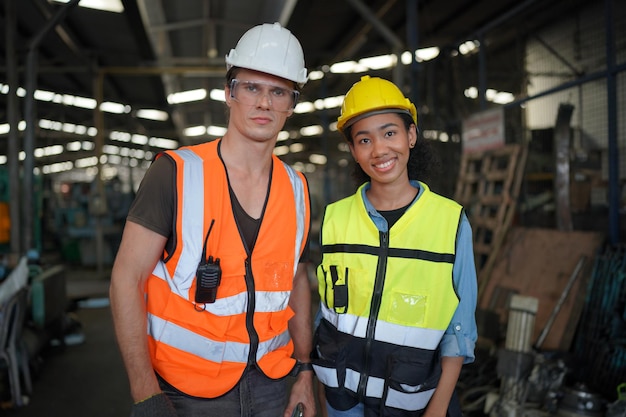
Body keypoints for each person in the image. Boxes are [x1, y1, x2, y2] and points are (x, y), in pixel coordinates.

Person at [109, 22, 316, 417]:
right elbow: (126, 278)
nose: (264, 103)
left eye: (278, 92)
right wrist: (144, 393)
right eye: (251, 87)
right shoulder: (175, 172)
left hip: (272, 384)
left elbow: (298, 279)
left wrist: (304, 370)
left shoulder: (298, 189)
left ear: (291, 104)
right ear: (229, 92)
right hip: (185, 389)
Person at [311, 75, 477, 417]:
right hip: (343, 401)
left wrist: (438, 409)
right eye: (364, 139)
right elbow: (326, 318)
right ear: (354, 151)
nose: (380, 149)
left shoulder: (449, 222)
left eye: (390, 133)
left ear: (411, 135)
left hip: (413, 401)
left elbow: (459, 331)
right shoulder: (335, 219)